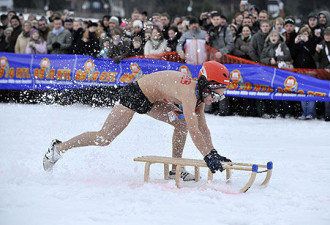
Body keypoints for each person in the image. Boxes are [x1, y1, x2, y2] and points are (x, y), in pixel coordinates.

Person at [43, 61, 232, 181]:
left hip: (153, 101)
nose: (215, 101)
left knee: (180, 124)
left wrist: (213, 152)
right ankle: (59, 148)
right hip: (135, 95)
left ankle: (176, 169)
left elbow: (203, 128)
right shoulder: (190, 95)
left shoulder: (200, 96)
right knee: (104, 138)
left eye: (219, 98)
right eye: (216, 96)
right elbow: (195, 130)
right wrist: (207, 156)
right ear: (206, 86)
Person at [314, 27, 330, 121]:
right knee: (325, 94)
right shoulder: (321, 45)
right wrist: (317, 52)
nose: (327, 36)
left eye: (329, 35)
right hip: (324, 72)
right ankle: (325, 114)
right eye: (326, 35)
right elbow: (317, 59)